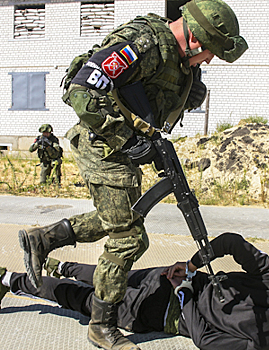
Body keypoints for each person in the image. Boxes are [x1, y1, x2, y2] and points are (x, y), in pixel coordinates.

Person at [18, 1, 249, 349]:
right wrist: (125, 137)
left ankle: (44, 239)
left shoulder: (181, 61)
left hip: (123, 148)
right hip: (101, 144)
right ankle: (102, 325)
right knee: (129, 238)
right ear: (197, 40)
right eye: (211, 53)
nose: (210, 61)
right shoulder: (144, 42)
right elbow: (81, 90)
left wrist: (185, 97)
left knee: (124, 217)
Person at [0, 232, 269, 350]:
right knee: (83, 302)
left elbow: (231, 242)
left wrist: (193, 267)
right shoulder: (267, 344)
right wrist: (183, 295)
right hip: (164, 312)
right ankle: (7, 281)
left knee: (114, 278)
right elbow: (205, 341)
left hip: (174, 274)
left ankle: (61, 266)